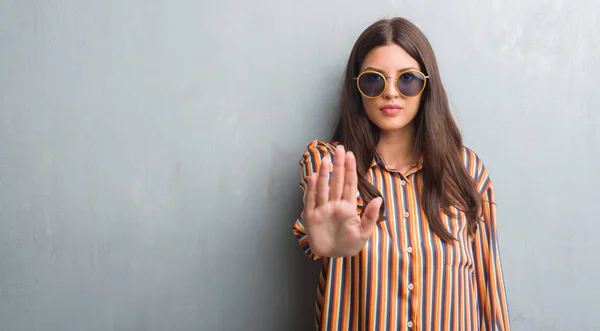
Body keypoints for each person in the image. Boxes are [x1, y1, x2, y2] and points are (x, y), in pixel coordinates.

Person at [292, 17, 511, 331]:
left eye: (407, 79)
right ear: (357, 89)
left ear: (426, 85)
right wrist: (323, 242)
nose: (391, 92)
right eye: (373, 80)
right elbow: (320, 221)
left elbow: (490, 289)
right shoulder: (330, 161)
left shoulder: (468, 170)